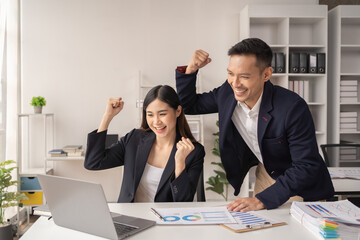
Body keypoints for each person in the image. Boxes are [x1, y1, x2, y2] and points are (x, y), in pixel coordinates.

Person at [175, 38, 334, 211]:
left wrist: (261, 200)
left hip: (298, 183)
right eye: (230, 73)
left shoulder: (292, 108)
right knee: (260, 230)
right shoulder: (228, 93)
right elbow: (189, 105)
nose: (235, 83)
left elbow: (305, 166)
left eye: (244, 76)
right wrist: (191, 70)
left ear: (266, 74)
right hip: (266, 172)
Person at [84, 85, 205, 202]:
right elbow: (93, 162)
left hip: (167, 219)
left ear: (178, 111)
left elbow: (183, 201)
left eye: (162, 114)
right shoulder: (134, 139)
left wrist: (179, 163)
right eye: (150, 115)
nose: (156, 121)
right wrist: (107, 117)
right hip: (131, 217)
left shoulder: (193, 151)